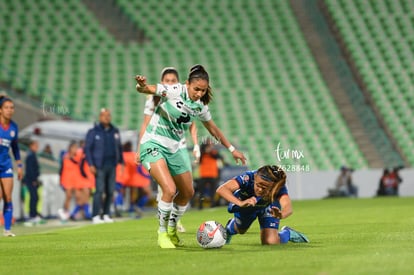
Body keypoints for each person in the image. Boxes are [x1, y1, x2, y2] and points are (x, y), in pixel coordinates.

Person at [135, 64, 247, 248]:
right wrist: (141, 85)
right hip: (153, 143)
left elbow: (213, 128)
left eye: (203, 90)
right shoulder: (174, 90)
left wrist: (232, 148)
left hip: (176, 149)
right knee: (169, 190)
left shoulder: (200, 105)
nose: (199, 93)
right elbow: (147, 89)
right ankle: (162, 233)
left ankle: (172, 228)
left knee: (188, 192)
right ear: (187, 84)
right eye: (196, 89)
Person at [136, 67, 199, 232]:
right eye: (167, 81)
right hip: (158, 144)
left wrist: (197, 145)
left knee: (186, 188)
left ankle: (174, 219)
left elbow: (193, 123)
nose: (170, 83)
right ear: (162, 82)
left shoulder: (186, 98)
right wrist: (139, 148)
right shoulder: (153, 100)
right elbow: (146, 123)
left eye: (173, 81)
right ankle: (166, 224)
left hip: (179, 148)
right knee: (167, 187)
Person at [216, 165, 309, 245]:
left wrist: (281, 214)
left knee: (270, 242)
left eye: (264, 188)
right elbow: (222, 189)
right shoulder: (247, 177)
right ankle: (229, 228)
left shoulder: (277, 186)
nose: (260, 190)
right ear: (255, 177)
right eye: (258, 185)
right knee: (241, 230)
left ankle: (288, 233)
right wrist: (241, 203)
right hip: (247, 205)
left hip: (268, 207)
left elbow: (288, 207)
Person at [85, 108, 124, 224]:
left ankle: (106, 213)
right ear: (100, 117)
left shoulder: (115, 131)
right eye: (104, 115)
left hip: (112, 165)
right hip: (99, 166)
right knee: (99, 190)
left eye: (108, 115)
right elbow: (87, 149)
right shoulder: (94, 132)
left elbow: (119, 148)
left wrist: (121, 162)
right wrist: (91, 164)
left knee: (110, 191)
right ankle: (95, 215)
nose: (106, 117)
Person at [0, 95, 23, 236]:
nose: (9, 110)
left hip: (6, 164)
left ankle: (7, 230)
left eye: (12, 107)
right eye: (6, 107)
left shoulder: (14, 127)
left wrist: (19, 165)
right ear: (0, 110)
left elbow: (15, 147)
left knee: (8, 197)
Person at [197, 138, 225, 209]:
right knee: (201, 192)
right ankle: (200, 205)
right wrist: (205, 150)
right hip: (204, 174)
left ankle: (212, 204)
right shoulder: (202, 153)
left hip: (212, 174)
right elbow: (199, 159)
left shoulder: (214, 152)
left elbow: (219, 157)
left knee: (213, 191)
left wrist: (210, 151)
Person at [22, 140, 42, 224]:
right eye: (35, 145)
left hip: (32, 179)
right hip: (31, 180)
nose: (37, 147)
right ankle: (32, 215)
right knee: (34, 197)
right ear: (31, 146)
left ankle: (34, 214)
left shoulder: (32, 155)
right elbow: (30, 170)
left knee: (35, 197)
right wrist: (34, 180)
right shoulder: (30, 156)